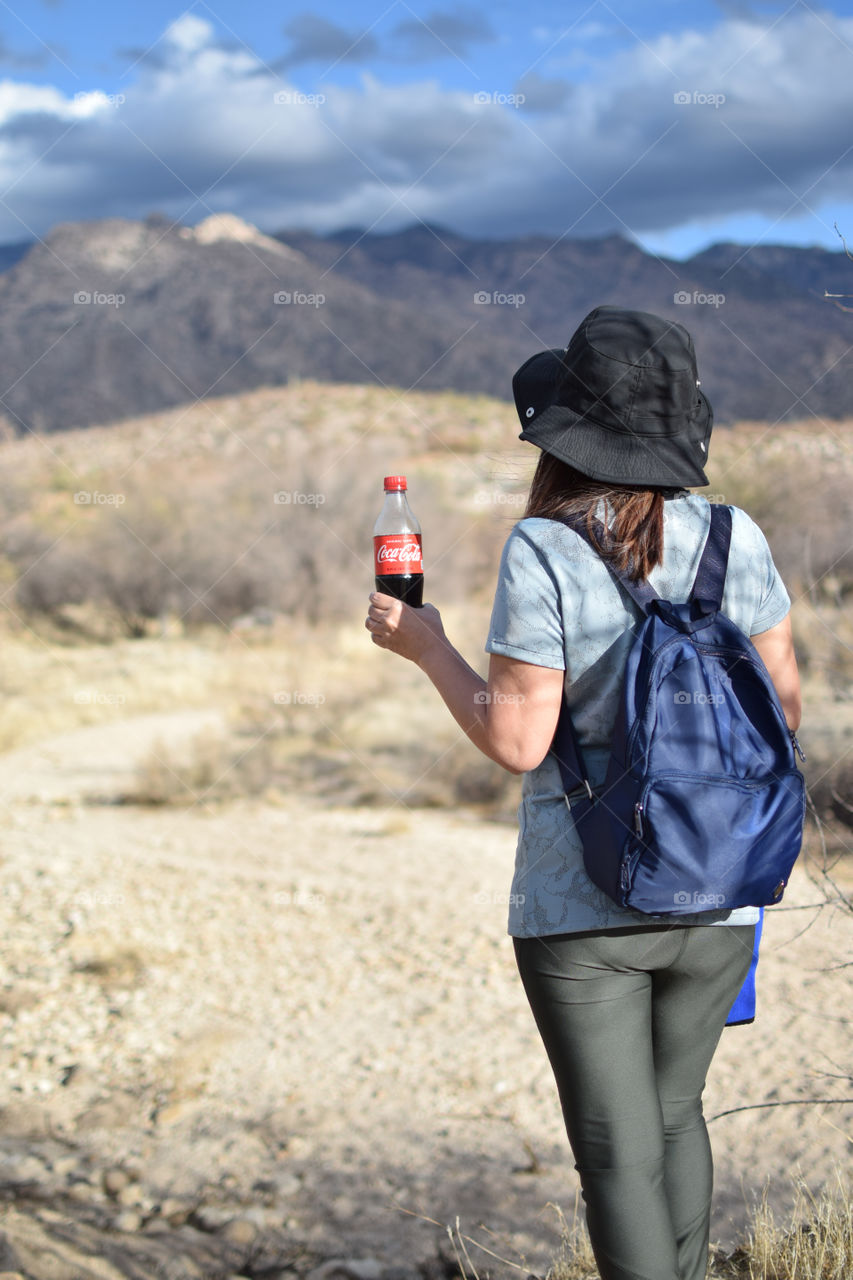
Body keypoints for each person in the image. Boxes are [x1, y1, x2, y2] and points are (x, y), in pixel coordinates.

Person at [364, 305, 801, 1280]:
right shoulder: (735, 536)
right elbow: (784, 707)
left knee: (616, 1149)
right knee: (677, 1113)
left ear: (563, 435)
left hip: (586, 902)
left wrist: (427, 646)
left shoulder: (545, 548)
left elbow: (517, 738)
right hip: (725, 888)